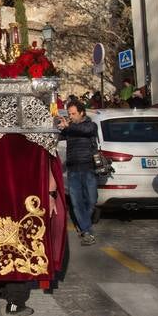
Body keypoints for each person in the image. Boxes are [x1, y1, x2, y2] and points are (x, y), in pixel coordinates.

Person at [56, 101, 100, 245]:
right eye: (69, 114)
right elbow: (57, 136)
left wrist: (69, 127)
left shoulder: (91, 125)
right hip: (73, 169)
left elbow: (84, 130)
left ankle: (85, 221)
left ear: (82, 113)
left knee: (92, 200)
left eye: (73, 113)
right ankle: (86, 230)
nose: (71, 116)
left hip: (88, 168)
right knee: (76, 202)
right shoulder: (69, 128)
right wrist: (59, 127)